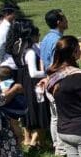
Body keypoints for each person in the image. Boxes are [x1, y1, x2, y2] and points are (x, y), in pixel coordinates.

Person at [6, 19, 49, 149]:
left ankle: (34, 139)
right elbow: (33, 73)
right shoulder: (29, 52)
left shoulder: (17, 49)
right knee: (39, 107)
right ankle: (36, 141)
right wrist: (48, 73)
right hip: (34, 84)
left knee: (31, 108)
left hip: (24, 81)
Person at [42, 9, 68, 156]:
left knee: (55, 116)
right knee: (62, 115)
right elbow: (56, 64)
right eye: (64, 18)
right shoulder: (58, 41)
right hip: (57, 81)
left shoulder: (46, 38)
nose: (67, 20)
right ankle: (63, 148)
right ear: (59, 22)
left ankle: (57, 145)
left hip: (48, 80)